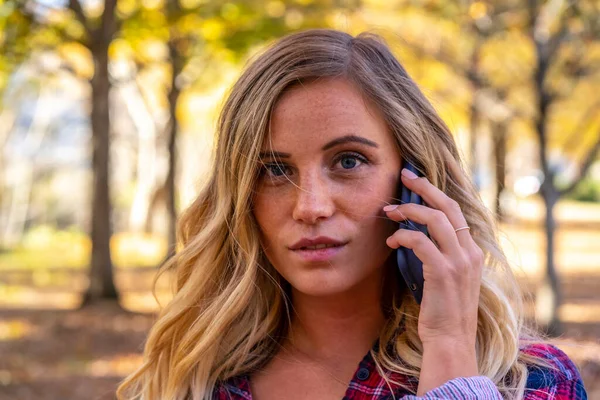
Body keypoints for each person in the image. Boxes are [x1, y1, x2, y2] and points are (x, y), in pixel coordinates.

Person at [117, 29, 587, 400]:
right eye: (275, 170)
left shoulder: (534, 385)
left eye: (348, 161)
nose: (311, 206)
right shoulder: (190, 382)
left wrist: (450, 352)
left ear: (415, 179)